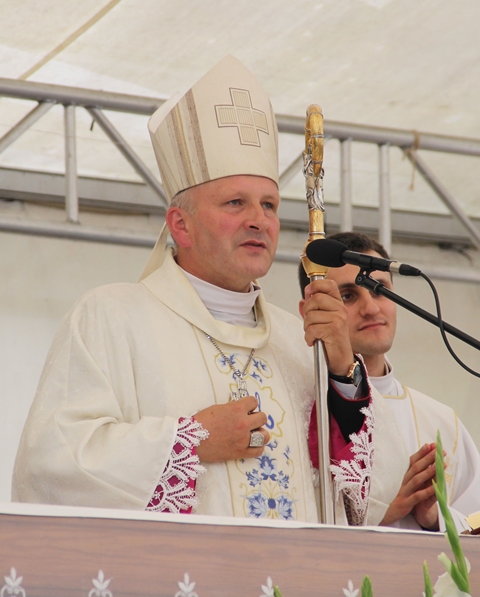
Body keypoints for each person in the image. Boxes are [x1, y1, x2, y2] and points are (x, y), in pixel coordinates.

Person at [12, 55, 353, 522]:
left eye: (269, 205)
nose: (259, 220)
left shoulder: (299, 341)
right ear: (181, 225)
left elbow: (350, 498)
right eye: (236, 202)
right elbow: (53, 464)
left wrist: (342, 374)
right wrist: (192, 441)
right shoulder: (110, 316)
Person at [299, 231, 480, 531]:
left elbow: (475, 529)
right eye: (348, 296)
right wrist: (381, 510)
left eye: (379, 289)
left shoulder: (442, 423)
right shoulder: (300, 409)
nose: (371, 308)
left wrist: (434, 517)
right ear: (311, 311)